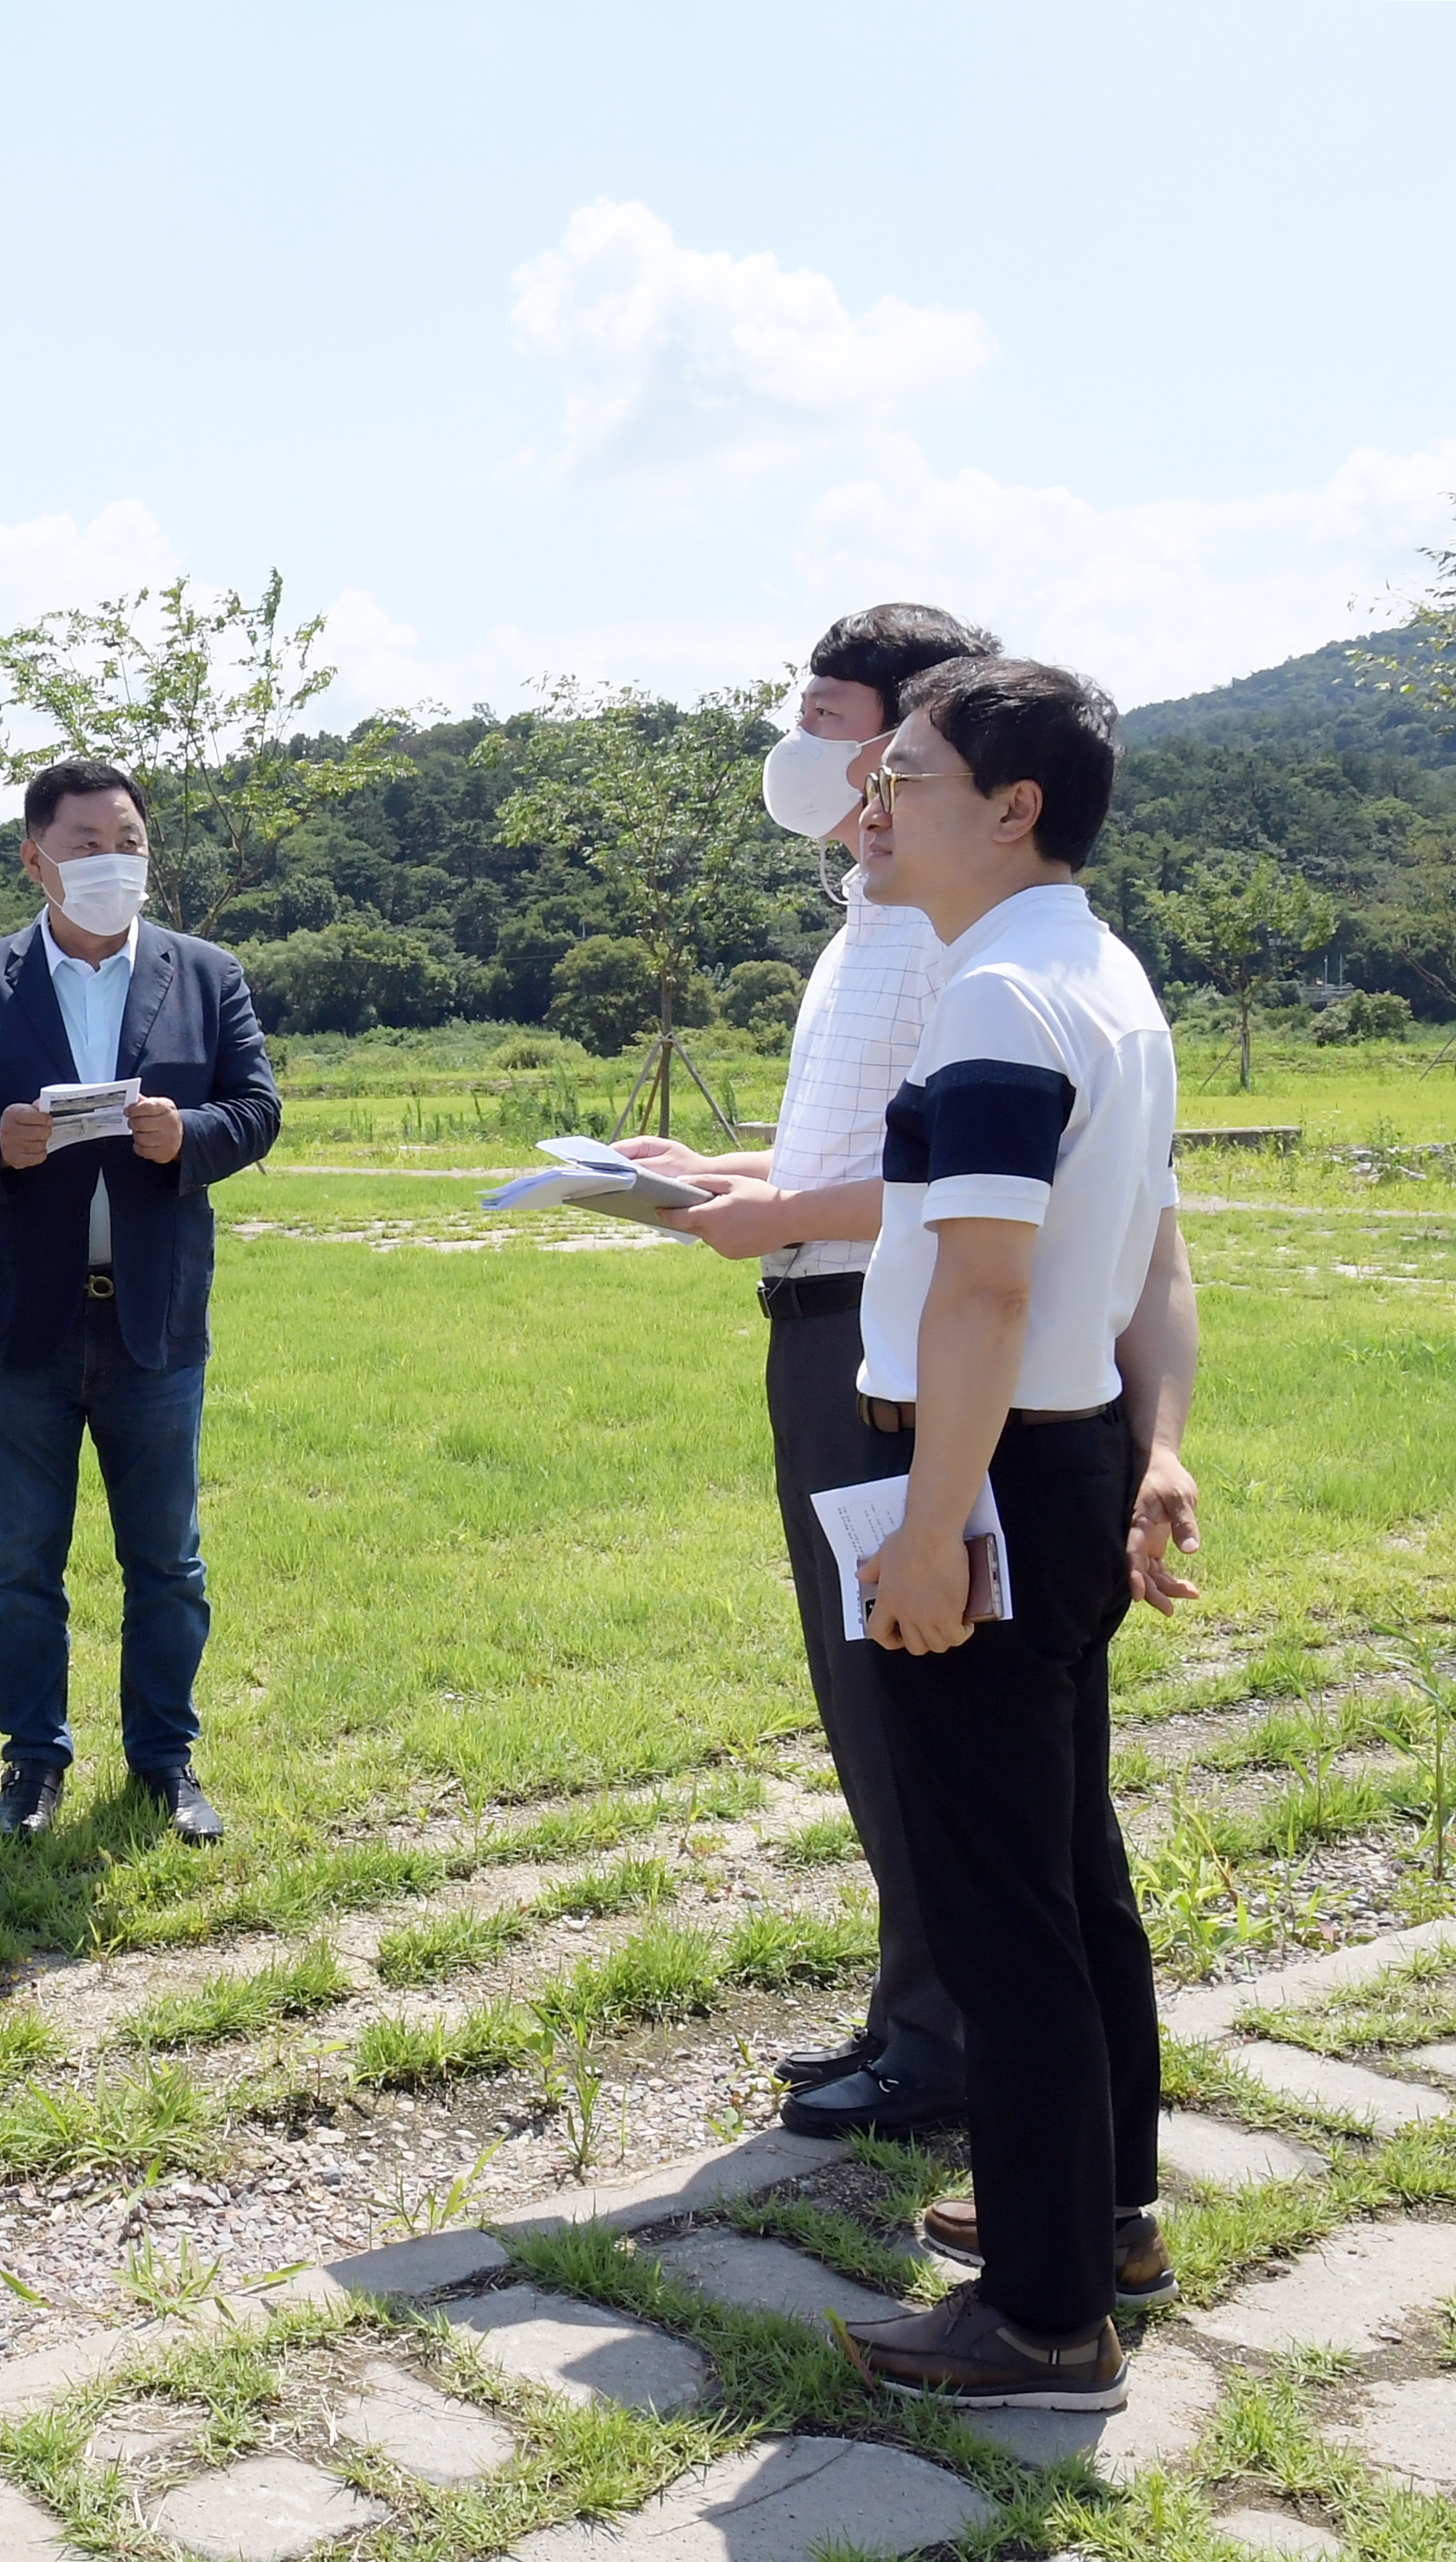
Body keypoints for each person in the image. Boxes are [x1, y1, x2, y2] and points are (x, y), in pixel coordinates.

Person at [830, 657, 1200, 2412]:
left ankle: (1045, 2317)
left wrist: (925, 1529)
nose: (871, 801)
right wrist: (1156, 1446)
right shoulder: (1102, 976)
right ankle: (1100, 2215)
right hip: (1064, 1460)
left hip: (982, 1473)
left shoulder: (995, 999)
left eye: (904, 771)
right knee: (1066, 1863)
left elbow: (980, 1290)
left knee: (1000, 1907)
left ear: (1013, 807)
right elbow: (1153, 1259)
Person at [615, 604, 998, 2140]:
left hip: (879, 1331)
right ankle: (915, 2001)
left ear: (912, 740)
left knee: (909, 1685)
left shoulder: (943, 930)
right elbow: (855, 1149)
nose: (797, 745)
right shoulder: (868, 914)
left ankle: (945, 2033)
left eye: (827, 718)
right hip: (821, 1314)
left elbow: (949, 1184)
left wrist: (777, 1214)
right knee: (862, 1683)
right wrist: (712, 1173)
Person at [0, 757, 282, 1845]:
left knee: (166, 1560)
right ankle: (32, 1761)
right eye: (86, 844)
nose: (112, 861)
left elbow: (257, 1108)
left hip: (153, 1318)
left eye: (129, 842)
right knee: (18, 1561)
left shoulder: (204, 973)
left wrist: (188, 1135)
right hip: (21, 1319)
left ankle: (164, 1762)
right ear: (36, 860)